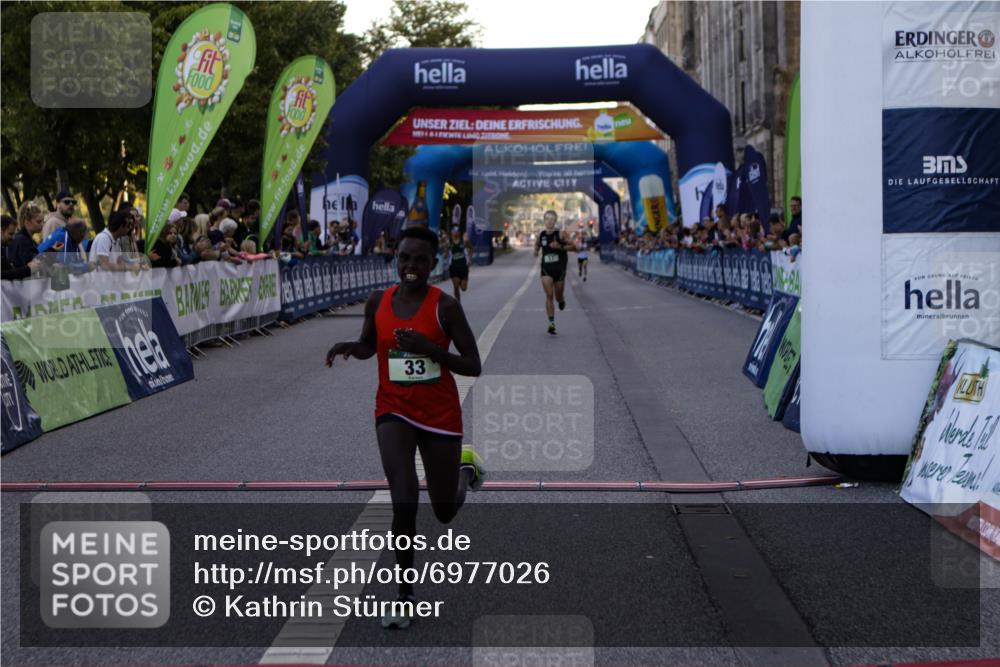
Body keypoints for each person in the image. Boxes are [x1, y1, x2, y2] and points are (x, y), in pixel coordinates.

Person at [324, 225, 484, 630]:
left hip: (440, 415)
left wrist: (431, 350)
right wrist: (350, 348)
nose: (410, 266)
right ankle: (405, 594)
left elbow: (473, 365)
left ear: (434, 263)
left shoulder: (444, 307)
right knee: (404, 497)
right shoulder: (378, 301)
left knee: (445, 510)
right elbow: (367, 345)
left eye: (419, 260)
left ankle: (466, 471)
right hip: (393, 409)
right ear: (396, 258)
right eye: (404, 258)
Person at [533, 210, 570, 335]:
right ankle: (551, 323)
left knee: (558, 296)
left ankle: (561, 300)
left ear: (555, 221)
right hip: (546, 269)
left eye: (552, 219)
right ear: (544, 220)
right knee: (549, 295)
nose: (549, 221)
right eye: (547, 218)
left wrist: (560, 247)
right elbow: (537, 245)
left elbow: (574, 246)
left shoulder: (561, 234)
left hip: (559, 269)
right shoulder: (541, 235)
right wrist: (536, 251)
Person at [2, 214, 42, 279]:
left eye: (14, 234)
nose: (13, 237)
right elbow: (3, 275)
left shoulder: (4, 248)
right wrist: (28, 269)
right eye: (10, 234)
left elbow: (9, 271)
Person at [444, 226, 471, 303]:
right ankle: (458, 303)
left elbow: (471, 248)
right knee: (456, 287)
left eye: (457, 231)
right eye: (454, 231)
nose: (455, 233)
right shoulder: (448, 242)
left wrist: (469, 258)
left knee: (463, 288)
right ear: (451, 233)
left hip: (463, 266)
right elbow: (446, 254)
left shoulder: (464, 241)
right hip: (453, 266)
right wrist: (445, 252)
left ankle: (461, 281)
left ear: (459, 233)